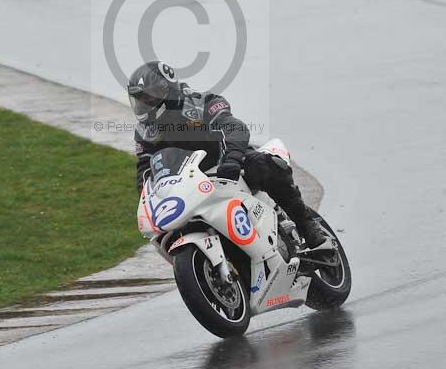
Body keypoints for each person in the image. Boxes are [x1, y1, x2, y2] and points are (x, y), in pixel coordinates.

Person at [128, 60, 327, 249]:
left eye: (148, 97)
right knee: (166, 229)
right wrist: (147, 201)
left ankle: (307, 225)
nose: (144, 104)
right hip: (188, 184)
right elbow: (145, 169)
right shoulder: (145, 131)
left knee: (263, 164)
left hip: (227, 166)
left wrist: (232, 159)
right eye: (140, 99)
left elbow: (235, 128)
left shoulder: (201, 103)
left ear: (167, 90)